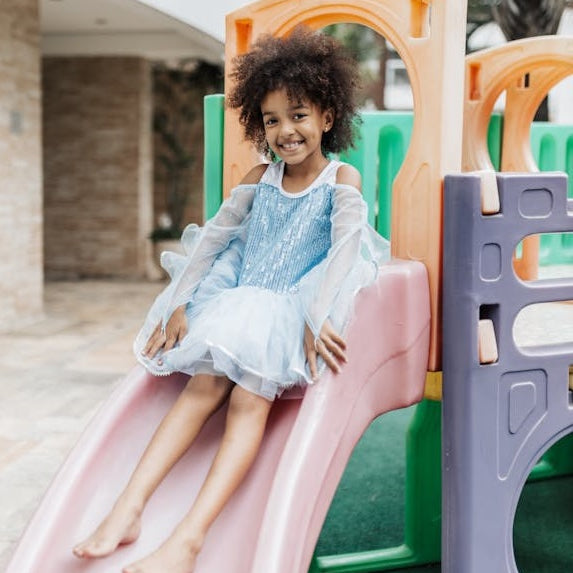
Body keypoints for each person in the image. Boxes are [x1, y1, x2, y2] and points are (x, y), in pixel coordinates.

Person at [72, 26, 389, 573]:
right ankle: (128, 507)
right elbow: (216, 237)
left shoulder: (342, 180)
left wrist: (316, 313)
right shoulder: (260, 176)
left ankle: (189, 539)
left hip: (288, 308)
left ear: (328, 117)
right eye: (272, 120)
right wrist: (181, 300)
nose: (286, 131)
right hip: (238, 301)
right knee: (199, 390)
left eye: (299, 115)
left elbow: (346, 250)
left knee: (247, 403)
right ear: (258, 125)